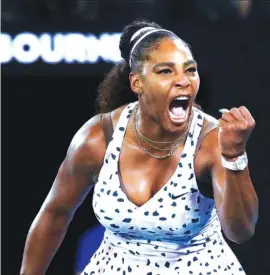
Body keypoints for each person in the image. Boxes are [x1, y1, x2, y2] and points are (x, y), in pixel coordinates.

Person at [20, 19, 258, 275]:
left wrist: (234, 157)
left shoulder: (210, 140)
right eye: (166, 71)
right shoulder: (99, 137)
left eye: (190, 70)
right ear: (137, 83)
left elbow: (241, 232)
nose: (184, 81)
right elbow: (55, 214)